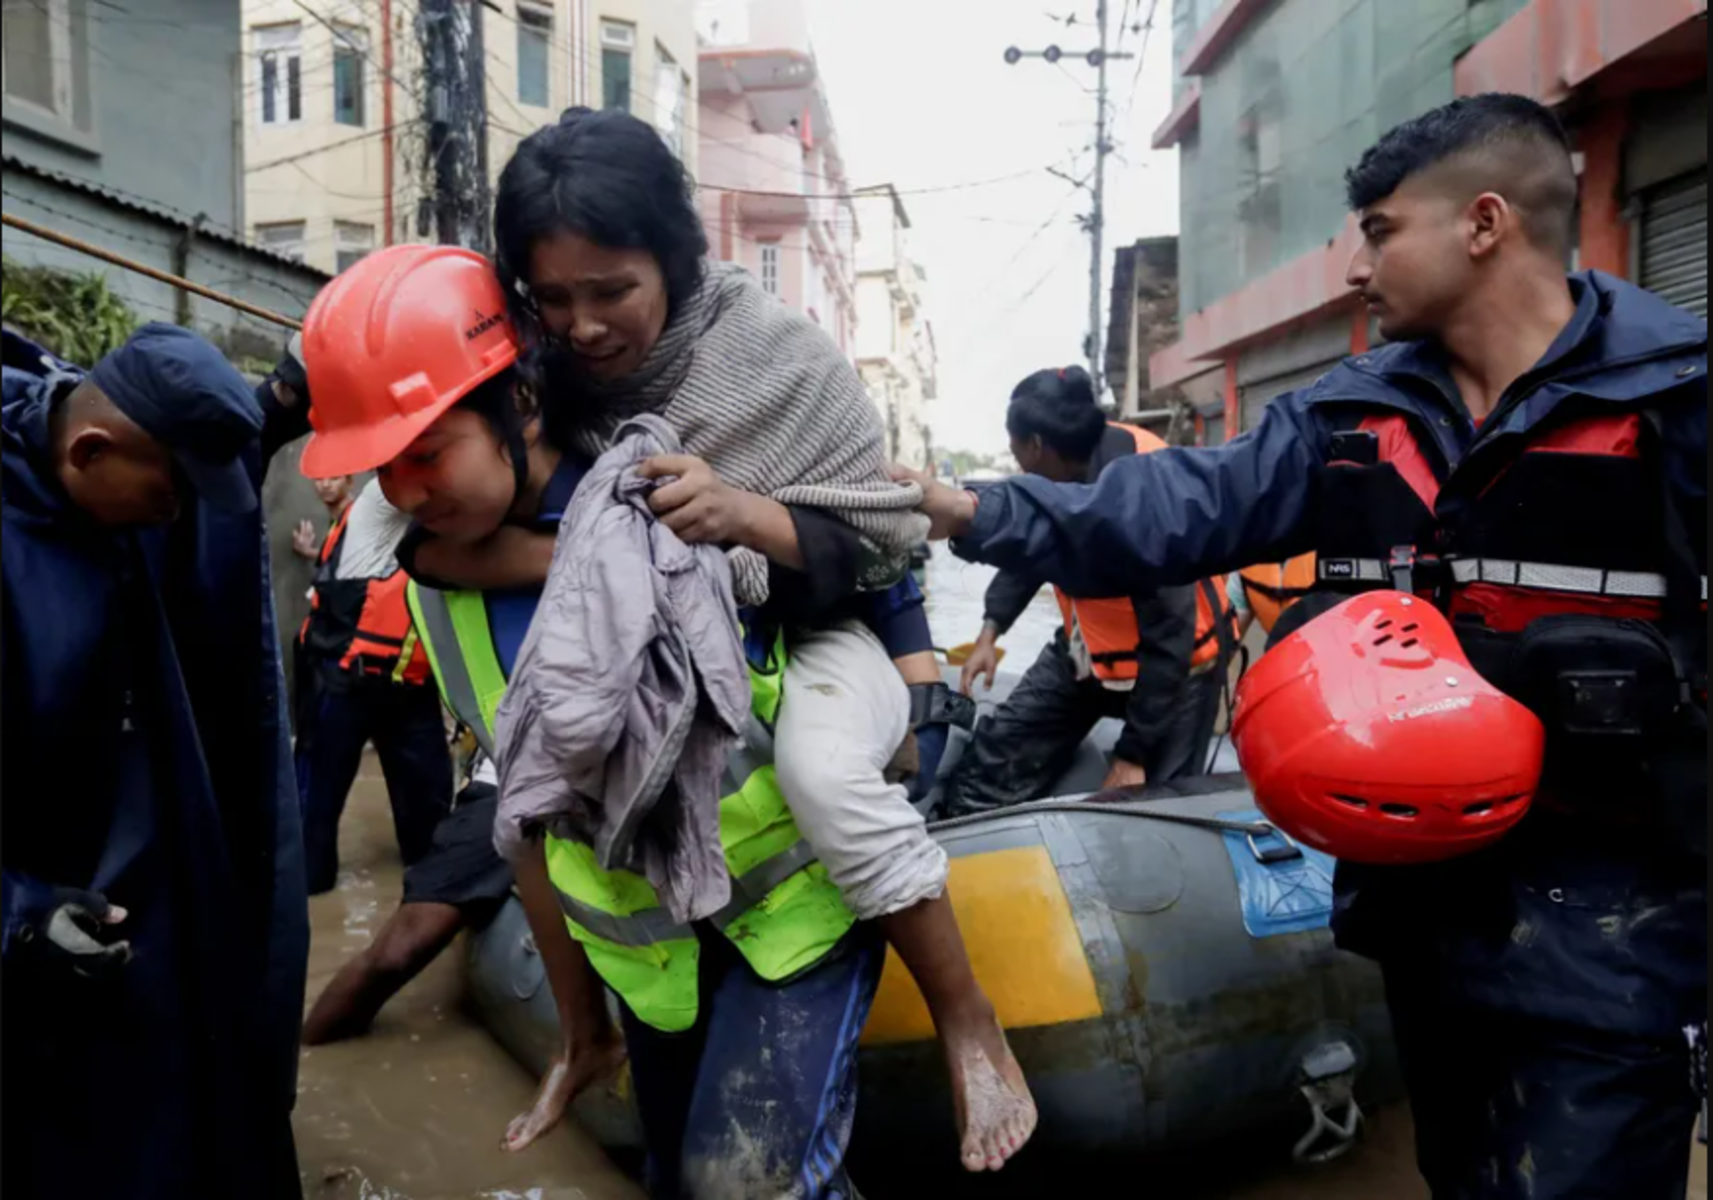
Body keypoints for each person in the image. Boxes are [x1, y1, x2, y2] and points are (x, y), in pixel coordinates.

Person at [902, 94, 1707, 1200]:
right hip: (1425, 917)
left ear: (1483, 224)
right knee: (1465, 1172)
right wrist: (968, 509)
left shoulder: (1674, 399)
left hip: (1616, 926)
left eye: (1379, 231)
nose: (1354, 268)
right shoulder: (1348, 418)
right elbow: (1171, 508)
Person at [294, 243, 1024, 1200]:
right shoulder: (439, 575)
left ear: (517, 405)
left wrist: (916, 689)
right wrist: (579, 1025)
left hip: (789, 905)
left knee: (742, 1184)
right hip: (652, 952)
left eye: (428, 454)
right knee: (686, 1181)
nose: (410, 492)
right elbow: (528, 810)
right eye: (388, 472)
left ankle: (967, 1020)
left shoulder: (667, 485)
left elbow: (860, 559)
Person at [475, 107, 1033, 1177]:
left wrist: (739, 517)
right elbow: (458, 534)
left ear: (672, 263)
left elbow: (878, 546)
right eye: (555, 298)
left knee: (826, 773)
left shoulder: (775, 360)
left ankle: (968, 1019)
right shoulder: (541, 393)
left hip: (819, 650)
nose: (584, 326)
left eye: (612, 292)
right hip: (660, 845)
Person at [2, 324, 310, 1198]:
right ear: (93, 452)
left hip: (153, 886)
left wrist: (281, 405)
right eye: (169, 496)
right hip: (46, 934)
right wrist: (18, 917)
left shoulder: (102, 477)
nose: (178, 521)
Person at [944, 366, 1231, 817]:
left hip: (1181, 662)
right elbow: (1026, 554)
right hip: (1090, 649)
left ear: (1036, 446)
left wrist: (1133, 754)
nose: (1013, 457)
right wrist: (989, 633)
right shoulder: (1052, 475)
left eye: (1014, 446)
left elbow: (1171, 631)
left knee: (1159, 807)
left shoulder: (1143, 486)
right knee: (998, 751)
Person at [290, 469, 454, 895]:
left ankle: (430, 895)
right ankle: (307, 890)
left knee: (428, 819)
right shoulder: (382, 498)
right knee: (314, 809)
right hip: (345, 680)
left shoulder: (438, 522)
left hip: (410, 684)